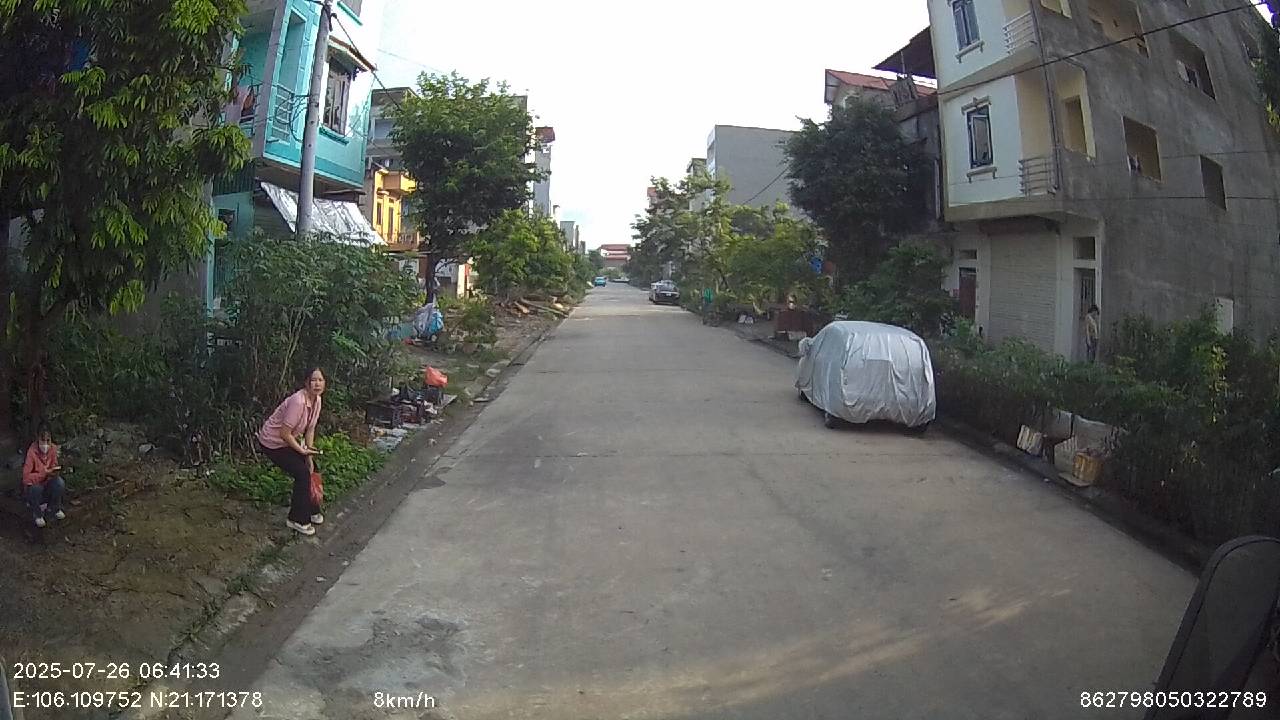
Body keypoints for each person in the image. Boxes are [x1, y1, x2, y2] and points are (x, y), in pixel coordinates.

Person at [258, 368, 326, 535]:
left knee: (312, 467)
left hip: (288, 440)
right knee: (302, 473)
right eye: (313, 380)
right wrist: (301, 451)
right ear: (306, 382)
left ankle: (312, 509)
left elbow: (310, 429)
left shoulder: (317, 400)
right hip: (272, 442)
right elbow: (284, 433)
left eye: (320, 380)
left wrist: (309, 454)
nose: (317, 384)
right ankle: (297, 519)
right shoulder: (298, 401)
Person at [23, 425, 66, 528]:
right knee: (36, 489)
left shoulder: (53, 449)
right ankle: (37, 514)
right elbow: (26, 477)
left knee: (59, 483)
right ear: (38, 440)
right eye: (43, 441)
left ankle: (54, 508)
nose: (45, 445)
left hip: (48, 482)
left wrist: (55, 471)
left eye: (48, 441)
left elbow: (54, 465)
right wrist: (43, 473)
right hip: (35, 486)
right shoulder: (31, 453)